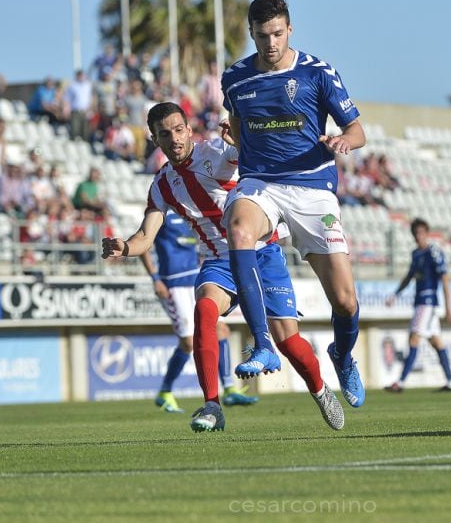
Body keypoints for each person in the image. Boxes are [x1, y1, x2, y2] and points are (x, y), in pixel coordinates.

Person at [101, 102, 344, 432]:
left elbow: (254, 160)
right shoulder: (161, 184)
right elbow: (146, 235)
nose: (173, 138)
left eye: (177, 129)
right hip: (219, 262)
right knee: (203, 309)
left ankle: (319, 389)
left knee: (289, 343)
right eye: (163, 134)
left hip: (262, 253)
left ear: (188, 129)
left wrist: (240, 143)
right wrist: (125, 247)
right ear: (154, 140)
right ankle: (212, 405)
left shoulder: (215, 151)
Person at [220, 0, 366, 408]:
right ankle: (263, 344)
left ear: (290, 30)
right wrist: (235, 137)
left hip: (312, 187)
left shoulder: (318, 73)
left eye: (278, 34)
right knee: (238, 228)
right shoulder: (234, 78)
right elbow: (237, 122)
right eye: (262, 35)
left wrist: (342, 141)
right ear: (250, 33)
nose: (270, 43)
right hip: (260, 184)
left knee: (345, 300)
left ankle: (342, 355)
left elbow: (357, 131)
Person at [141, 209, 258, 412]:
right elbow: (143, 243)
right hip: (173, 283)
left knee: (221, 331)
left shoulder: (191, 213)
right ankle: (165, 391)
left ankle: (229, 390)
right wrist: (155, 278)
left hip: (196, 278)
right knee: (187, 343)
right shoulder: (160, 212)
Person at [384, 218, 451, 392]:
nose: (418, 236)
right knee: (436, 341)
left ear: (427, 233)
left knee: (414, 337)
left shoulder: (434, 252)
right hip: (419, 301)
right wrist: (395, 294)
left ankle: (400, 382)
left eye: (421, 232)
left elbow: (445, 278)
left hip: (428, 301)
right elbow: (409, 277)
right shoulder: (415, 254)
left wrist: (448, 307)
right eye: (415, 233)